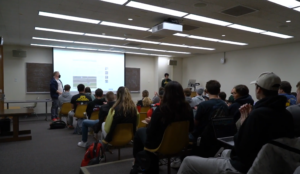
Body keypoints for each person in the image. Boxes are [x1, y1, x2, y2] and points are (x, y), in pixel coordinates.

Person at [178, 72, 295, 174]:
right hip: (272, 167)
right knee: (224, 153)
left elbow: (240, 148)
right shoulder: (287, 115)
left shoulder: (257, 115)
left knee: (188, 161)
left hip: (244, 167)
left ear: (258, 89)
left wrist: (244, 123)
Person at [132, 81, 194, 171]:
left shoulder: (161, 110)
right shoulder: (188, 109)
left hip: (161, 145)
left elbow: (150, 132)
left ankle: (138, 162)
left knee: (139, 131)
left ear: (166, 94)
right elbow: (191, 128)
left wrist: (151, 122)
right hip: (180, 144)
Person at [192, 80, 228, 157]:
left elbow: (196, 122)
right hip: (219, 137)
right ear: (219, 91)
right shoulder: (224, 105)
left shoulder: (203, 105)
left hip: (204, 137)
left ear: (206, 91)